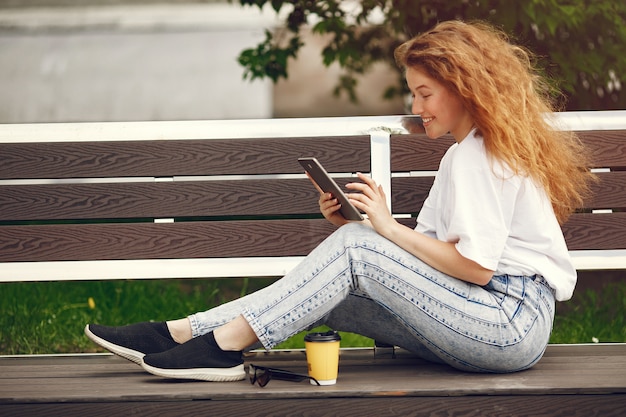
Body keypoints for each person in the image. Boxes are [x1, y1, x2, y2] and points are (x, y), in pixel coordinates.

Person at [85, 20, 594, 381]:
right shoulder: (466, 153)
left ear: (463, 89)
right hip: (486, 318)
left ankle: (217, 347)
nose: (414, 108)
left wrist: (383, 231)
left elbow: (477, 269)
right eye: (412, 94)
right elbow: (436, 265)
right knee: (329, 289)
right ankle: (181, 335)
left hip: (507, 322)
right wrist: (366, 228)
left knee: (355, 248)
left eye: (424, 93)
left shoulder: (479, 154)